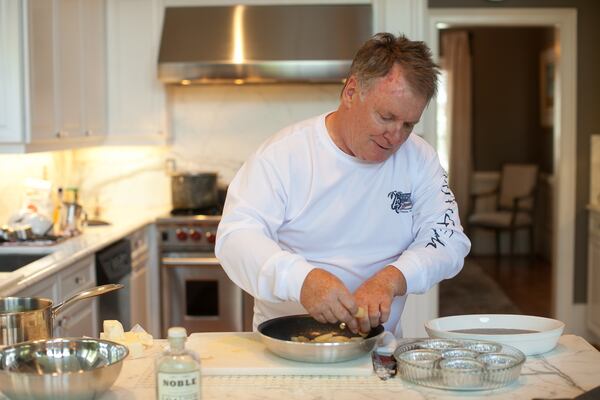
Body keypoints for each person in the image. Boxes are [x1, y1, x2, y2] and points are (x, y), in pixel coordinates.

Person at [215, 32, 471, 336]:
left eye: (408, 124)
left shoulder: (420, 158)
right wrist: (302, 280)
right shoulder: (284, 155)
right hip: (286, 344)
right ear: (351, 92)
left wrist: (393, 277)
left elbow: (448, 238)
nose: (396, 136)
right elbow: (235, 237)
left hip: (376, 346)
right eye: (386, 116)